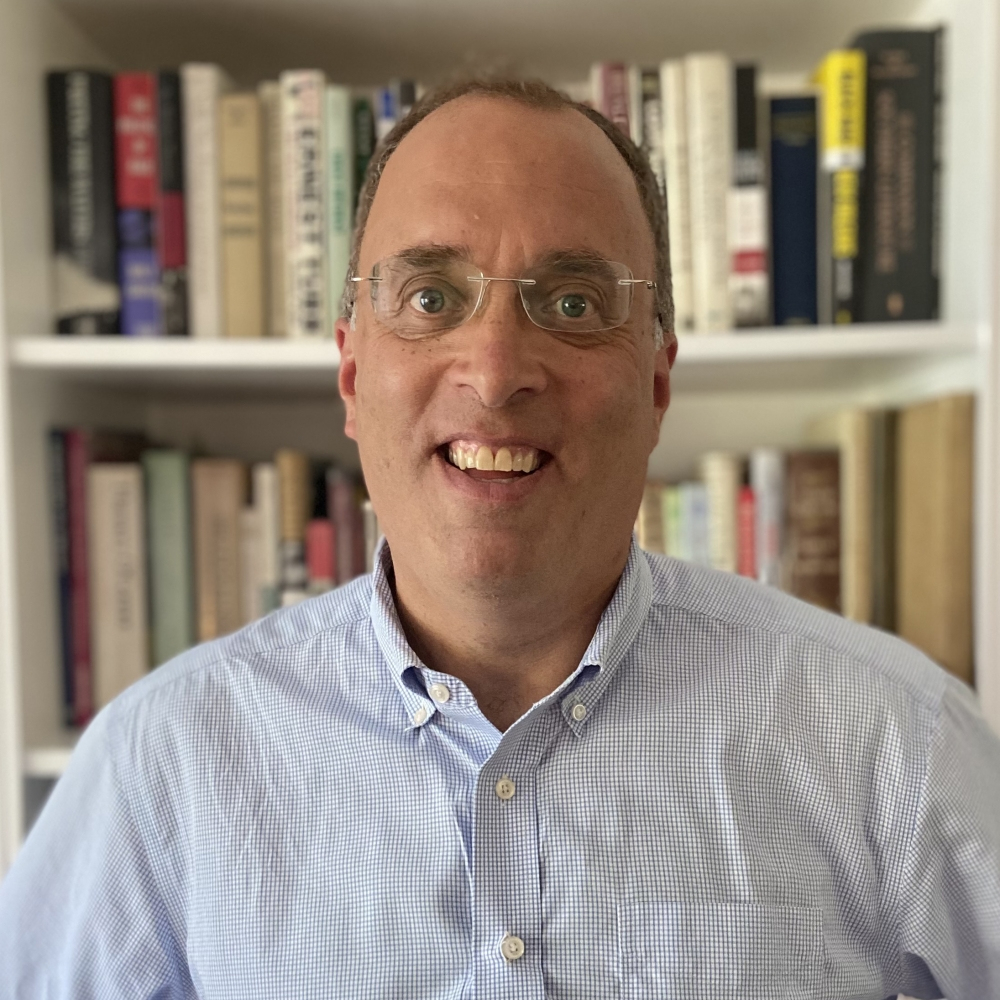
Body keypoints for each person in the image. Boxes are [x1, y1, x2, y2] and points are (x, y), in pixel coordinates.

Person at [1, 76, 999, 999]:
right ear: (352, 374)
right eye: (431, 297)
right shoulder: (160, 766)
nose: (493, 369)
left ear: (656, 383)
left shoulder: (895, 743)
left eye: (572, 304)